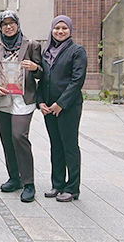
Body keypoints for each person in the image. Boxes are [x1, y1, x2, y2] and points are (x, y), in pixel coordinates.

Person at [0, 11, 42, 203]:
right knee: (7, 140)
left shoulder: (32, 45)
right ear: (0, 27)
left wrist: (34, 68)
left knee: (19, 137)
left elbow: (43, 72)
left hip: (23, 101)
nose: (8, 27)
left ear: (18, 24)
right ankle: (14, 177)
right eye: (4, 24)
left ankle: (29, 183)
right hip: (3, 100)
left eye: (12, 23)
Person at [37, 15, 87, 202]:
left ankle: (72, 188)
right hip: (49, 108)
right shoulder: (47, 52)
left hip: (69, 107)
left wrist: (61, 104)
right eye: (57, 28)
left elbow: (77, 80)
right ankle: (57, 184)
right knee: (55, 145)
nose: (60, 31)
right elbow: (43, 79)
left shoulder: (77, 51)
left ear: (70, 30)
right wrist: (40, 101)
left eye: (64, 28)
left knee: (69, 146)